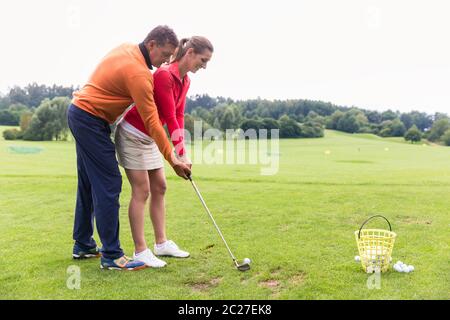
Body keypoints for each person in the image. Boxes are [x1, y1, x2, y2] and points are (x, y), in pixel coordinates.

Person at [67, 25, 191, 271]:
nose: (166, 60)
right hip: (89, 119)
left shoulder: (126, 48)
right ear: (152, 44)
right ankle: (112, 255)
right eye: (165, 53)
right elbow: (153, 122)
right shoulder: (140, 74)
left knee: (89, 182)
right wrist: (172, 159)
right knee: (110, 182)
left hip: (82, 113)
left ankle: (83, 244)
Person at [115, 36, 213, 267]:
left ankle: (161, 243)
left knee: (160, 186)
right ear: (189, 53)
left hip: (150, 137)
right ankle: (141, 251)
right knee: (142, 190)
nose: (205, 66)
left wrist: (183, 155)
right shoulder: (164, 75)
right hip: (132, 134)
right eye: (203, 59)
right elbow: (168, 117)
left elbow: (178, 117)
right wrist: (175, 159)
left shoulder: (185, 80)